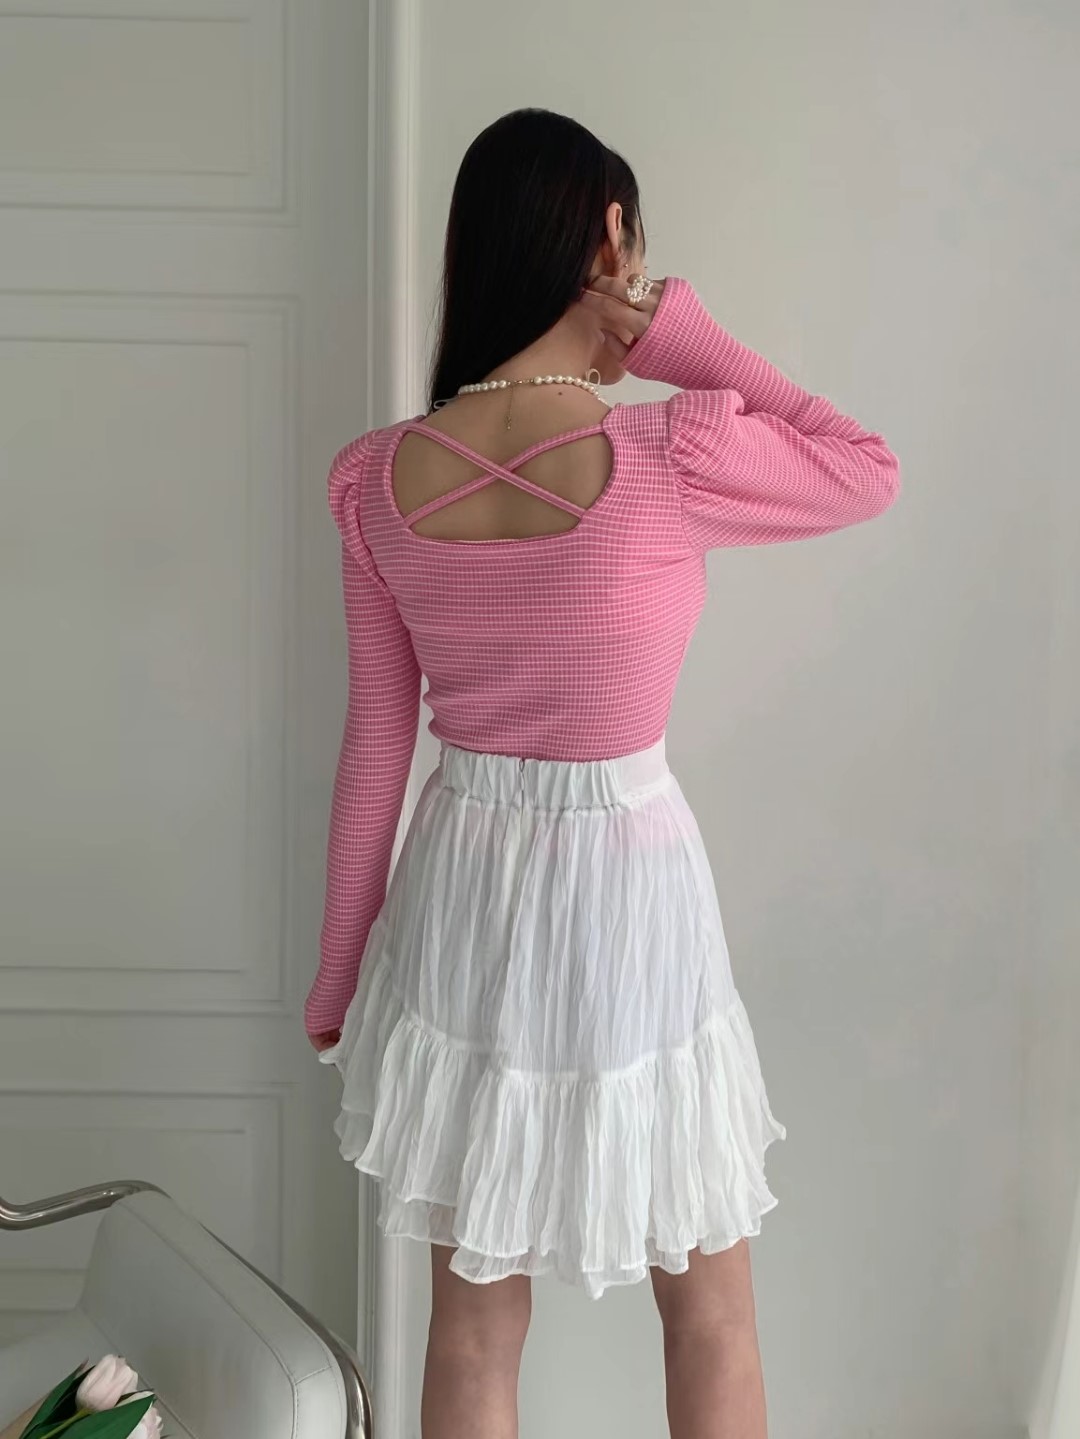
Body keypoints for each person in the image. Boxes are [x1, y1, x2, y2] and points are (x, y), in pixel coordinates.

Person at [307, 107, 900, 1439]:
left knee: (472, 1330)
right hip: (631, 890)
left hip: (459, 889)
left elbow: (376, 744)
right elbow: (868, 469)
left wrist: (339, 972)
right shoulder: (670, 454)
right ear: (611, 237)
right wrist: (688, 338)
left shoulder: (374, 479)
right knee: (711, 1311)